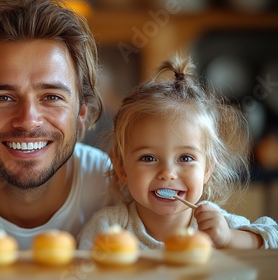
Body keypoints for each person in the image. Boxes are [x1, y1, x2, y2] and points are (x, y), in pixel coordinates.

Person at [0, 0, 115, 249]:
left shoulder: (115, 187)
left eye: (52, 97)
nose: (27, 120)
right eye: (3, 98)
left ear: (81, 112)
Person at [78, 55, 278, 250]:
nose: (168, 173)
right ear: (122, 168)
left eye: (185, 158)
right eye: (148, 158)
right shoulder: (108, 229)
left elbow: (272, 239)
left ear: (207, 168)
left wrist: (228, 238)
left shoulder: (215, 224)